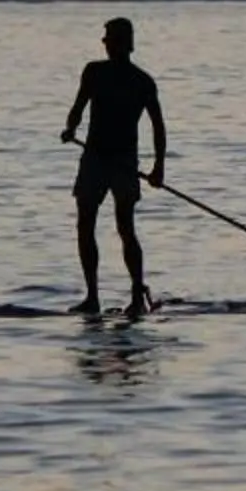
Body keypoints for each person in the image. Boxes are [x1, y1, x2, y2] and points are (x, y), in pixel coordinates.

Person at [60, 16, 166, 316]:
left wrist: (159, 167)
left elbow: (158, 126)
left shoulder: (142, 81)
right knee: (85, 224)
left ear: (125, 44)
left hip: (122, 163)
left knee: (125, 226)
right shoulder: (93, 72)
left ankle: (136, 297)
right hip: (94, 158)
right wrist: (71, 128)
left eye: (111, 39)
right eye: (105, 39)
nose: (105, 44)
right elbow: (78, 108)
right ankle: (92, 297)